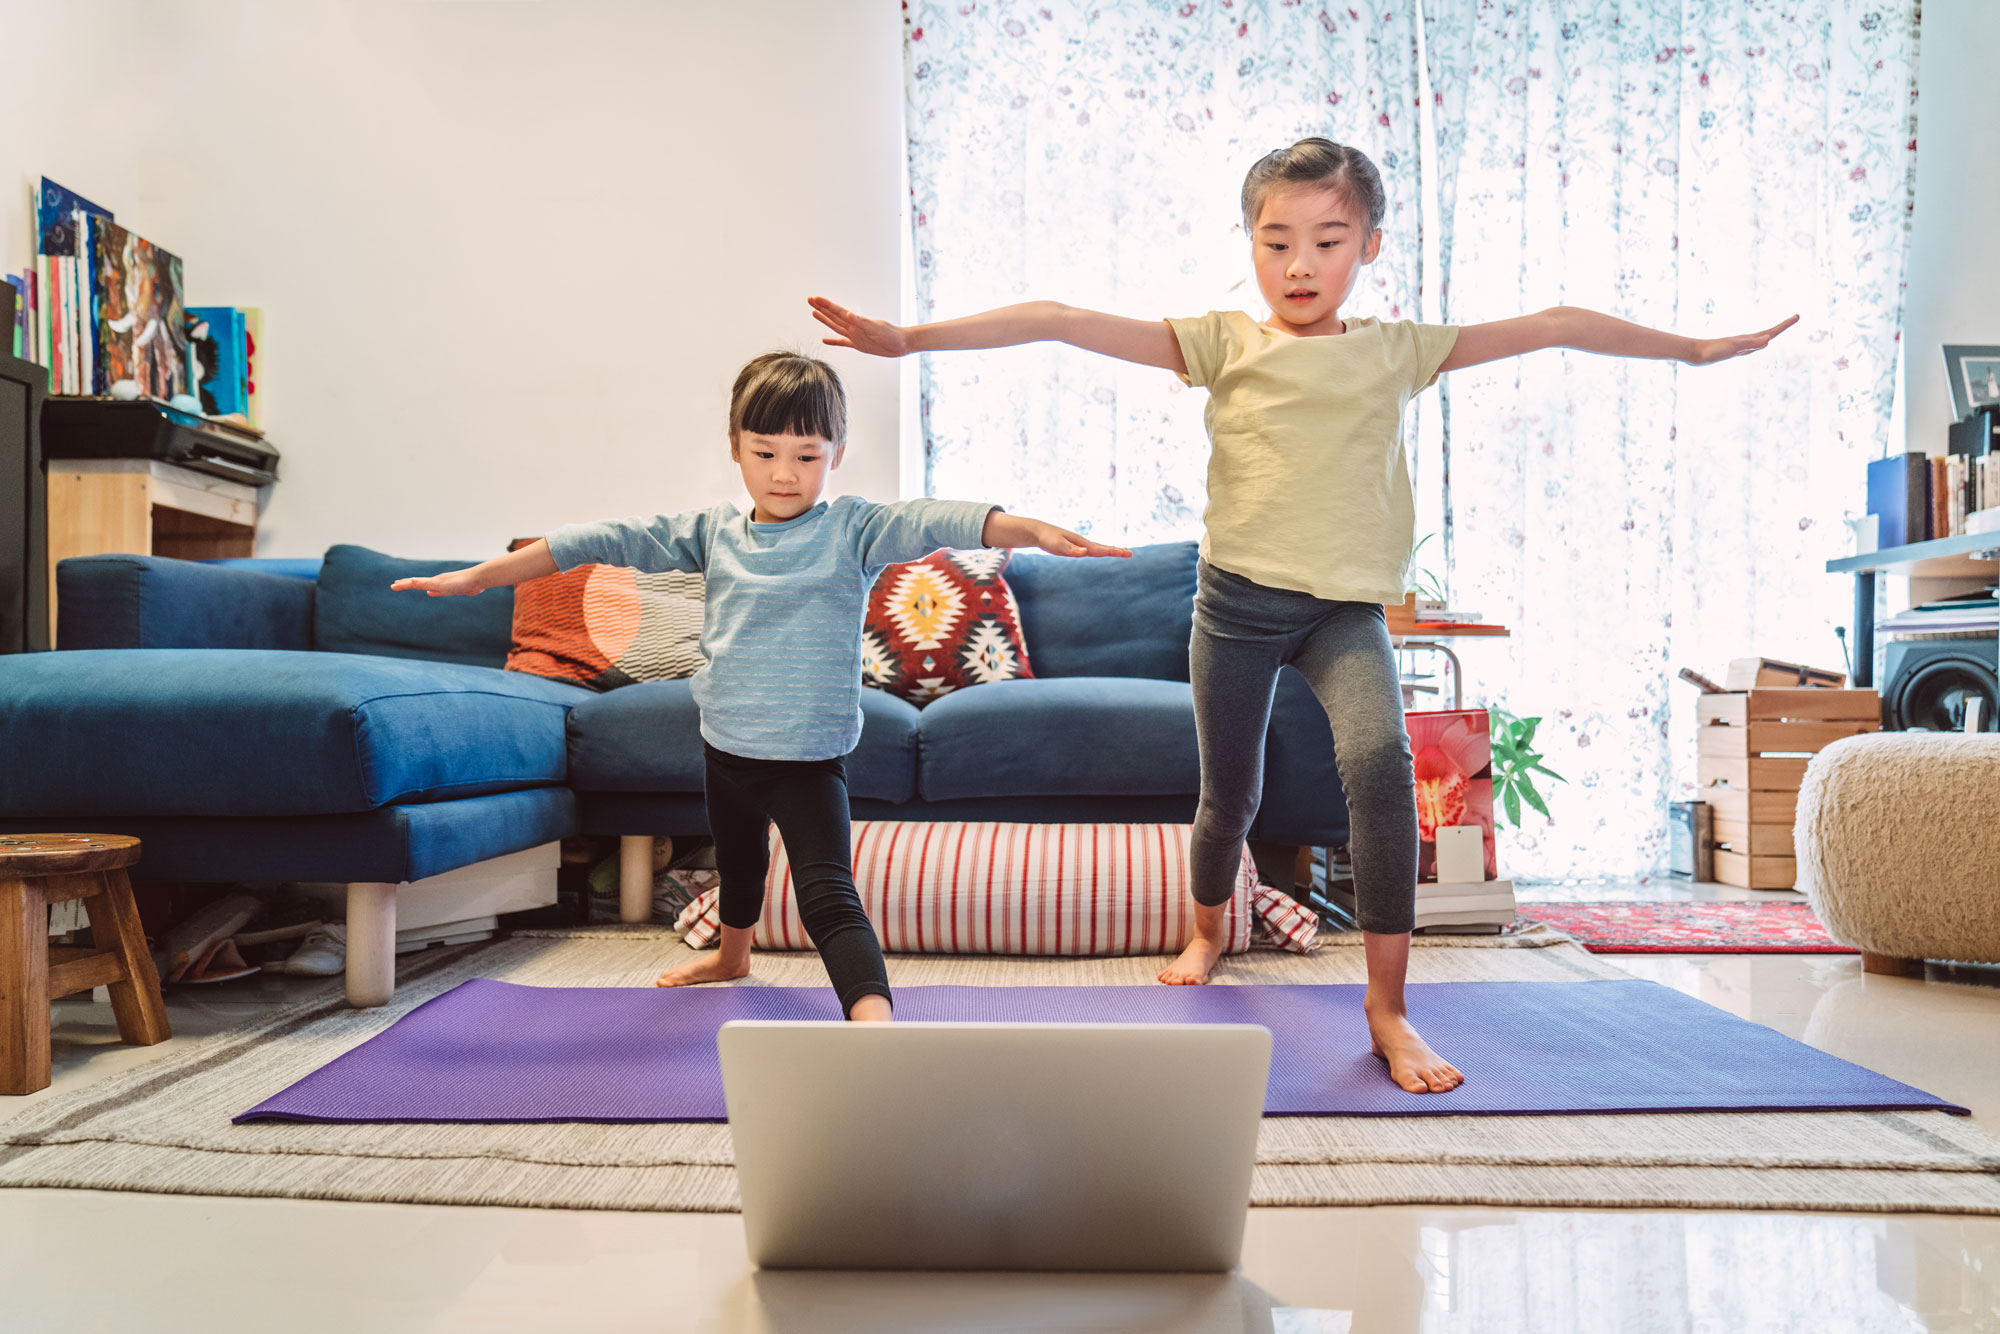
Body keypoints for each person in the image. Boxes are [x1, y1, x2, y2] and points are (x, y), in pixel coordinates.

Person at [808, 137, 1795, 1087]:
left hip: (1340, 615)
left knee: (1378, 762)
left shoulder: (1396, 351)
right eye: (1275, 240)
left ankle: (1386, 1004)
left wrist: (1696, 351)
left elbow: (1555, 322)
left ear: (1367, 245)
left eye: (1327, 240)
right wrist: (907, 340)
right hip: (1233, 610)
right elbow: (1060, 317)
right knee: (1226, 796)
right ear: (1249, 244)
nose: (1299, 263)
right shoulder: (1218, 342)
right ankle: (1204, 928)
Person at [393, 352, 1130, 1022]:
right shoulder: (712, 532)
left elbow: (933, 519)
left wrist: (1027, 528)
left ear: (837, 453)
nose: (786, 474)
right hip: (727, 748)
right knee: (737, 867)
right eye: (766, 453)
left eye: (808, 456)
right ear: (736, 449)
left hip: (808, 759)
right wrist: (481, 577)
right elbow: (600, 540)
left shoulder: (853, 531)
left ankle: (873, 1020)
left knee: (826, 895)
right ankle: (732, 955)